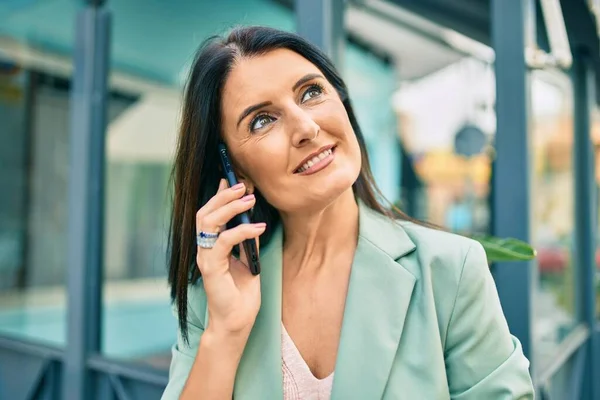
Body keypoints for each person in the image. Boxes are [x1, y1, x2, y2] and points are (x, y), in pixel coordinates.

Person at [162, 26, 534, 400]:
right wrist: (225, 331)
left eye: (311, 92)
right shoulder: (215, 293)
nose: (306, 128)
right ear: (236, 170)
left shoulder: (450, 270)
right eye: (262, 120)